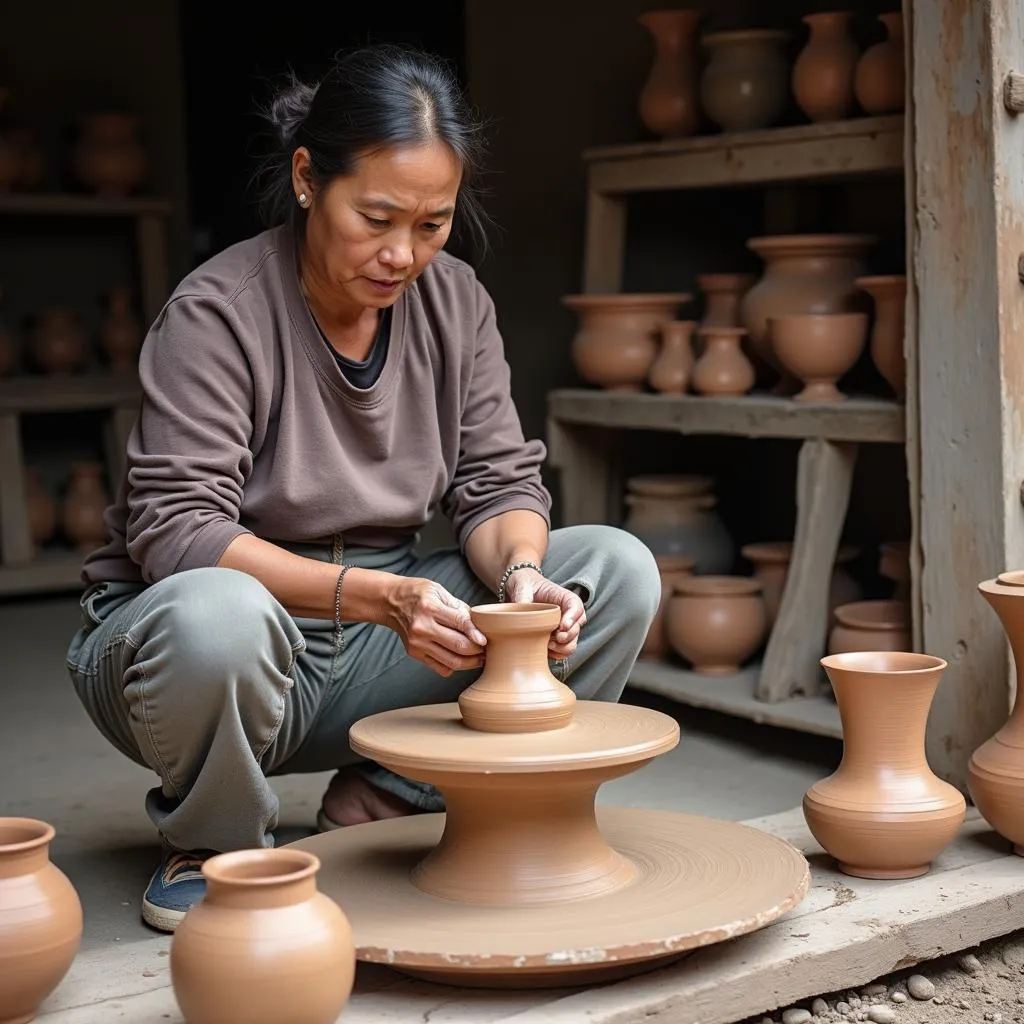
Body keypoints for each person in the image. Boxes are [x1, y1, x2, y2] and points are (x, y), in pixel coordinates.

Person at [65, 43, 660, 934]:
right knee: (218, 614)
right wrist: (375, 596)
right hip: (202, 648)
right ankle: (217, 843)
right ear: (308, 178)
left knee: (613, 568)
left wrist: (522, 582)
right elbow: (175, 530)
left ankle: (389, 798)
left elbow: (498, 485)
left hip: (388, 632)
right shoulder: (219, 309)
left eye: (432, 224)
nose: (402, 254)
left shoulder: (456, 304)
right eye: (376, 217)